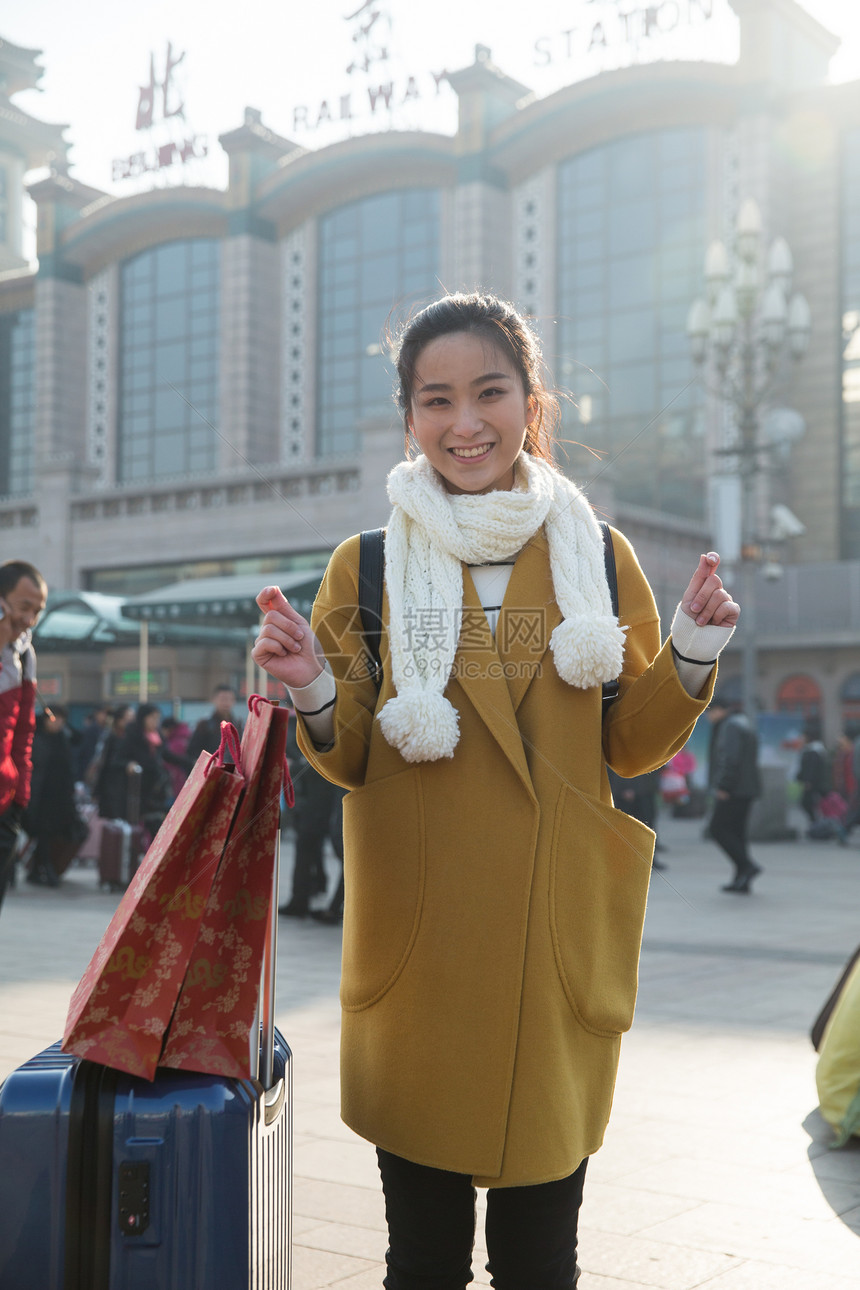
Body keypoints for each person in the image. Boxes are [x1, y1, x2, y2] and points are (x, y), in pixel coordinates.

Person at [251, 291, 739, 1287]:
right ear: (408, 417)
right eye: (435, 400)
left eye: (488, 392)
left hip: (547, 949)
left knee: (538, 1258)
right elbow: (345, 754)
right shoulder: (371, 565)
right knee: (421, 1261)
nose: (463, 423)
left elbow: (632, 743)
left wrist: (689, 650)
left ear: (531, 401)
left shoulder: (593, 555)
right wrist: (307, 680)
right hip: (424, 953)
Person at [0, 560, 47, 915]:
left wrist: (21, 795)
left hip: (5, 802)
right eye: (23, 607)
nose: (29, 619)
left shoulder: (24, 654)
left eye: (37, 610)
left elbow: (24, 731)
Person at [706, 692, 762, 893]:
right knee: (737, 833)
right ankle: (742, 879)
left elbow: (730, 759)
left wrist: (723, 786)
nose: (708, 717)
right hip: (746, 789)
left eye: (709, 712)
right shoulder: (742, 723)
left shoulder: (730, 726)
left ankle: (747, 866)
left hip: (733, 790)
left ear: (719, 710)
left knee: (717, 829)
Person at [23, 705, 85, 887]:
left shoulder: (62, 738)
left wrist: (65, 726)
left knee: (51, 833)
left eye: (62, 720)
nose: (58, 723)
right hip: (40, 795)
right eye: (54, 719)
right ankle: (47, 870)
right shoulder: (36, 738)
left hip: (60, 795)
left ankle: (37, 870)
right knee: (43, 832)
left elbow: (79, 738)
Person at [186, 684, 241, 762]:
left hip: (234, 770)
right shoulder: (204, 725)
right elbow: (192, 751)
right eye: (223, 699)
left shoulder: (238, 725)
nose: (226, 703)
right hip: (211, 770)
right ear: (214, 700)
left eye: (230, 699)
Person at [796, 721, 830, 829]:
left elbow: (812, 769)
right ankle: (816, 823)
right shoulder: (811, 750)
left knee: (807, 803)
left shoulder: (814, 751)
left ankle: (816, 824)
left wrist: (808, 781)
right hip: (811, 783)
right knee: (810, 805)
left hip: (812, 784)